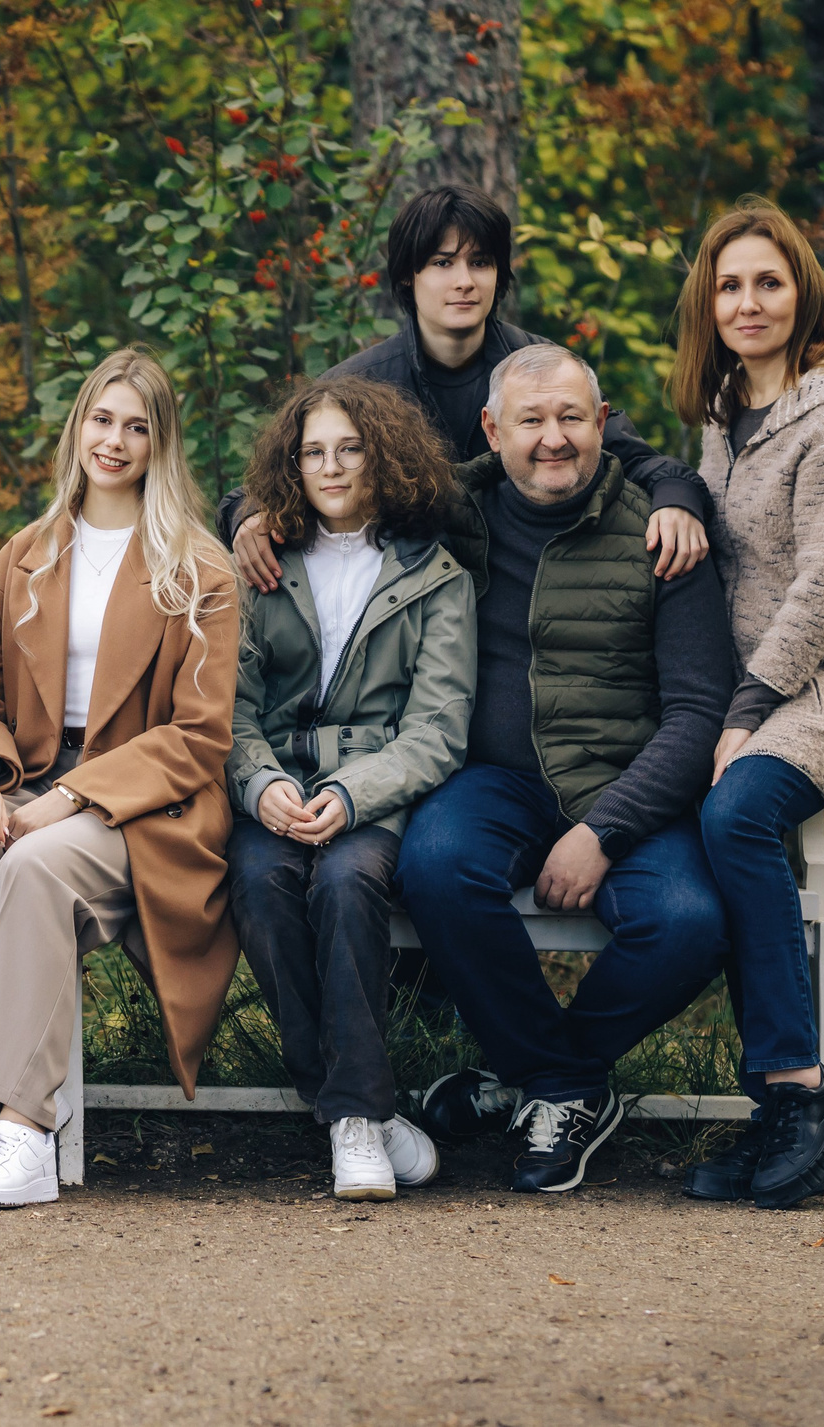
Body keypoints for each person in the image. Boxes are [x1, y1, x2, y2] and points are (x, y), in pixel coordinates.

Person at [0, 349, 240, 1209]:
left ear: (161, 443)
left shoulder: (199, 567)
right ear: (77, 427)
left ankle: (23, 1129)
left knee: (35, 863)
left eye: (137, 426)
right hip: (34, 774)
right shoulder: (28, 552)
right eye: (102, 419)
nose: (114, 441)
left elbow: (199, 736)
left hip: (146, 804)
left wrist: (68, 799)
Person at [396, 344, 735, 1194]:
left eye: (572, 418)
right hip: (495, 782)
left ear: (603, 423)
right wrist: (249, 516)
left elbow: (699, 713)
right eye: (532, 420)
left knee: (688, 921)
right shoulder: (451, 513)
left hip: (628, 787)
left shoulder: (662, 533)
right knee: (435, 863)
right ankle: (564, 1082)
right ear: (492, 429)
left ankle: (537, 1078)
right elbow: (325, 486)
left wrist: (605, 830)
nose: (554, 438)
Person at [666, 198, 824, 1209]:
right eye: (729, 285)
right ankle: (775, 1101)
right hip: (750, 688)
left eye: (768, 281)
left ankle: (801, 1087)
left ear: (803, 292)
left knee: (737, 811)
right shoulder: (725, 412)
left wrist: (742, 714)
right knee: (692, 821)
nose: (748, 302)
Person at [228, 374, 473, 1200]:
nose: (331, 467)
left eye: (350, 449)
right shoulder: (261, 567)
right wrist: (258, 781)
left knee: (346, 881)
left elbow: (437, 727)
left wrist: (354, 794)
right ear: (292, 466)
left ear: (384, 457)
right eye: (313, 453)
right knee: (260, 880)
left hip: (372, 789)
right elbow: (228, 704)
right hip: (274, 784)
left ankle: (355, 1116)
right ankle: (355, 1108)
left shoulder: (437, 577)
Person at [227, 183, 711, 591]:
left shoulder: (540, 372)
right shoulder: (357, 386)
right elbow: (263, 485)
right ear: (408, 275)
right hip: (400, 611)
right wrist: (247, 517)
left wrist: (677, 500)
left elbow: (637, 457)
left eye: (480, 262)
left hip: (523, 600)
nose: (465, 281)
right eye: (442, 263)